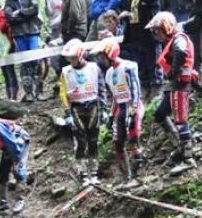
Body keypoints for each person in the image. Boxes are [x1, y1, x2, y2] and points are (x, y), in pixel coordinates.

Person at [146, 11, 196, 173]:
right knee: (160, 113)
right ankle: (180, 146)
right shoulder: (172, 40)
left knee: (180, 120)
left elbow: (181, 52)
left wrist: (174, 70)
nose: (156, 35)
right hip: (174, 84)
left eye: (157, 31)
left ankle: (188, 158)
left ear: (166, 27)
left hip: (180, 83)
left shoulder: (179, 39)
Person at [96, 38, 145, 186]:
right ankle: (126, 177)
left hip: (132, 105)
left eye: (103, 56)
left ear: (110, 54)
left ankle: (137, 177)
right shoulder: (109, 73)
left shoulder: (128, 66)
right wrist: (111, 116)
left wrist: (133, 112)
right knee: (117, 143)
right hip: (120, 108)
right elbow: (115, 97)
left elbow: (136, 91)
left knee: (133, 141)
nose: (102, 59)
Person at [60, 39, 106, 185]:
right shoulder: (66, 71)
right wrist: (67, 114)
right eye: (69, 58)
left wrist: (104, 109)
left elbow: (102, 89)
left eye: (73, 58)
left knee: (93, 140)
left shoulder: (94, 68)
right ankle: (82, 173)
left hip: (93, 106)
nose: (71, 61)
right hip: (76, 108)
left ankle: (94, 171)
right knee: (80, 141)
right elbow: (63, 94)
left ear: (80, 55)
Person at [119, 0, 162, 101]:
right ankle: (144, 87)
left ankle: (156, 87)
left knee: (153, 61)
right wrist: (126, 14)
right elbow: (129, 6)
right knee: (140, 61)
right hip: (135, 31)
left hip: (149, 31)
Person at [5, 0, 44, 102]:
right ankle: (28, 93)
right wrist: (27, 15)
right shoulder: (8, 1)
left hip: (33, 32)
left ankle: (39, 92)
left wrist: (19, 12)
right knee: (25, 63)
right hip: (19, 35)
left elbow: (35, 10)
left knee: (36, 60)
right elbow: (10, 18)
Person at [0, 0, 20, 100]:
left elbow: (2, 28)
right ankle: (9, 95)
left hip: (8, 46)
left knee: (9, 71)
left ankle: (13, 95)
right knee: (5, 72)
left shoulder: (2, 14)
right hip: (1, 49)